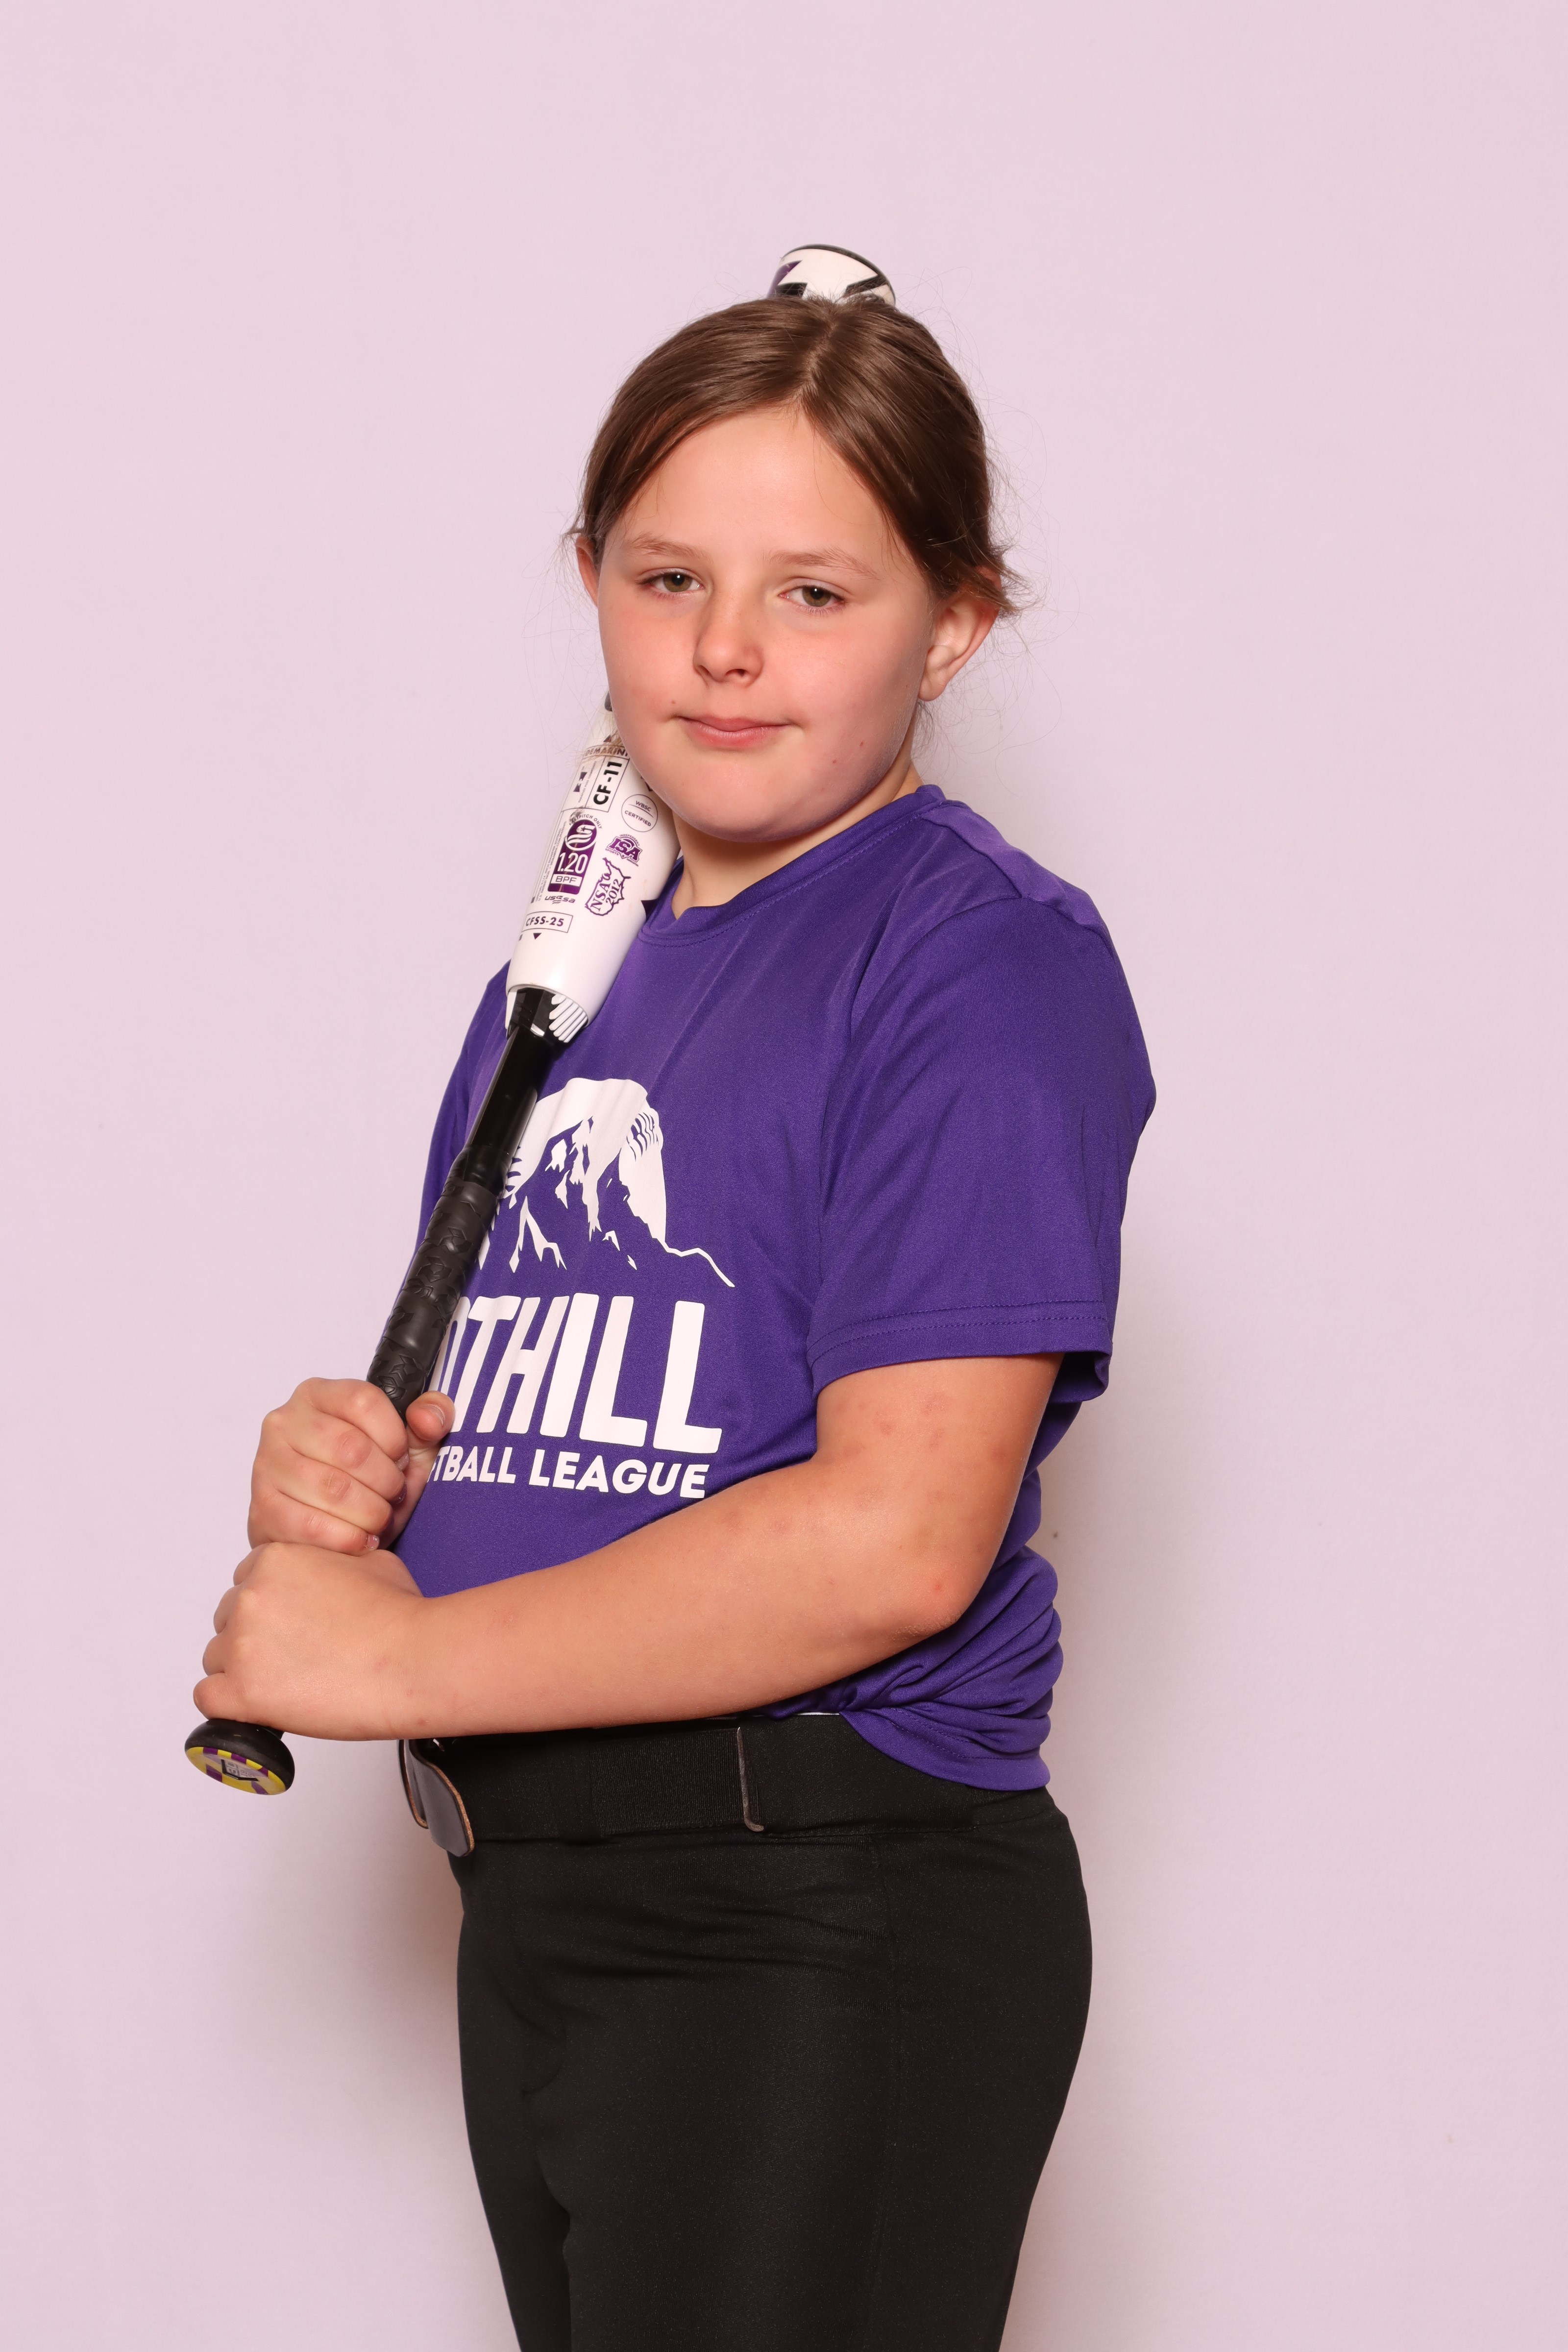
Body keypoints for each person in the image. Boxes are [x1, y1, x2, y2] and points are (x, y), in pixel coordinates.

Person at [196, 288, 1154, 2352]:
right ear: (591, 585)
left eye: (815, 589)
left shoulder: (979, 965)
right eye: (669, 578)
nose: (727, 648)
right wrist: (361, 1478)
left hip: (814, 1915)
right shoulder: (564, 981)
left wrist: (403, 1654)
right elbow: (594, 1423)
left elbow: (893, 1539)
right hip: (537, 1901)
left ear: (953, 624)